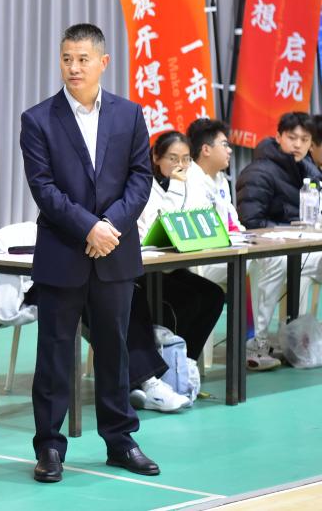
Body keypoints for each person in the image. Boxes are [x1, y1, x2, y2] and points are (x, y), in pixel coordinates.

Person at [19, 23, 157, 483]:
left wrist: (110, 226)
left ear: (103, 62)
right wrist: (89, 228)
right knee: (54, 354)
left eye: (82, 59)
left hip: (115, 250)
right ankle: (49, 446)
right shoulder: (38, 119)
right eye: (66, 59)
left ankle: (120, 440)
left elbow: (141, 177)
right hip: (63, 252)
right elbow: (44, 188)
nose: (73, 67)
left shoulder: (129, 114)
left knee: (115, 349)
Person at [128, 131, 224, 412]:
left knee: (213, 295)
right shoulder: (143, 184)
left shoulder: (189, 181)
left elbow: (201, 213)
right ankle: (163, 372)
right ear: (156, 157)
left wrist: (186, 189)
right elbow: (157, 224)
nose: (180, 165)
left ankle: (186, 363)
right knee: (187, 301)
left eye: (185, 159)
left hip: (173, 264)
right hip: (146, 268)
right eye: (172, 158)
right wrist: (176, 189)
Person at [185, 118, 282, 371]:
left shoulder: (220, 180)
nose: (230, 150)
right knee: (257, 265)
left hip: (227, 252)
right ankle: (252, 342)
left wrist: (244, 237)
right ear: (206, 149)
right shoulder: (190, 180)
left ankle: (254, 340)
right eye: (225, 145)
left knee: (269, 261)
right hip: (202, 260)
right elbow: (201, 229)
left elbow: (233, 222)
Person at [235, 111, 322, 363]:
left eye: (304, 139)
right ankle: (257, 343)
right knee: (278, 262)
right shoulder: (258, 172)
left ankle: (302, 341)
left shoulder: (309, 173)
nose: (298, 144)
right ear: (278, 136)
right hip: (263, 249)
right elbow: (250, 222)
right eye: (292, 137)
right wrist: (289, 232)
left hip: (301, 246)